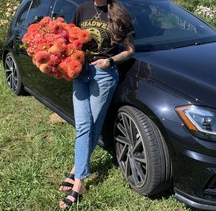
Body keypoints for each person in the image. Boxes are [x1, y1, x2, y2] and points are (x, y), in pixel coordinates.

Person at [58, 0, 135, 208]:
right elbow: (67, 38)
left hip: (103, 75)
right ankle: (78, 169)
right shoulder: (81, 9)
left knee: (91, 126)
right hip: (80, 72)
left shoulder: (119, 13)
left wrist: (109, 61)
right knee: (83, 126)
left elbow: (129, 50)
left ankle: (78, 181)